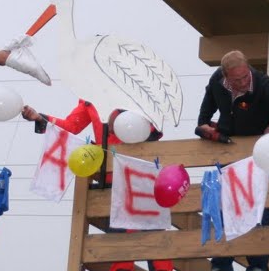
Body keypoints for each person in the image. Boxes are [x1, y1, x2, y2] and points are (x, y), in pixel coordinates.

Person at [21, 101, 172, 271]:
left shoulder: (134, 91)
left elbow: (154, 130)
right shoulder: (89, 97)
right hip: (110, 176)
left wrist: (123, 116)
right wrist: (40, 118)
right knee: (120, 236)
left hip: (140, 170)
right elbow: (71, 126)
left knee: (153, 233)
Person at [198, 50, 269, 271]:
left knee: (259, 212)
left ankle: (258, 266)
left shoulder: (264, 84)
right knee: (222, 208)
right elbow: (205, 114)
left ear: (249, 69)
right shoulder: (217, 81)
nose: (244, 82)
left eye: (246, 76)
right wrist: (203, 126)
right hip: (228, 153)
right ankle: (221, 264)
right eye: (237, 80)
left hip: (260, 156)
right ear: (226, 76)